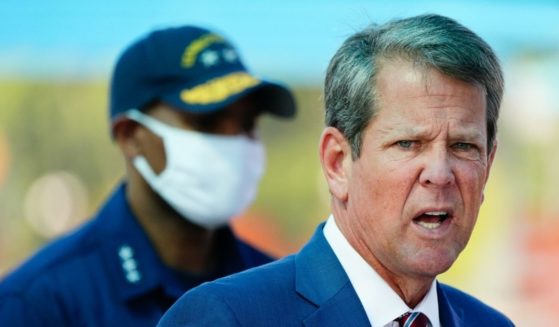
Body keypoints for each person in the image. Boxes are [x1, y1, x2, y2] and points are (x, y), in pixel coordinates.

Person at [158, 14, 515, 327]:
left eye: (463, 147)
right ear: (337, 162)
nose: (439, 173)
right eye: (408, 144)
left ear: (488, 166)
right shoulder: (226, 317)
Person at [0, 25, 296, 325]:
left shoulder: (280, 290)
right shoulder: (39, 304)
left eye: (248, 124)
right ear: (130, 136)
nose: (234, 144)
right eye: (206, 121)